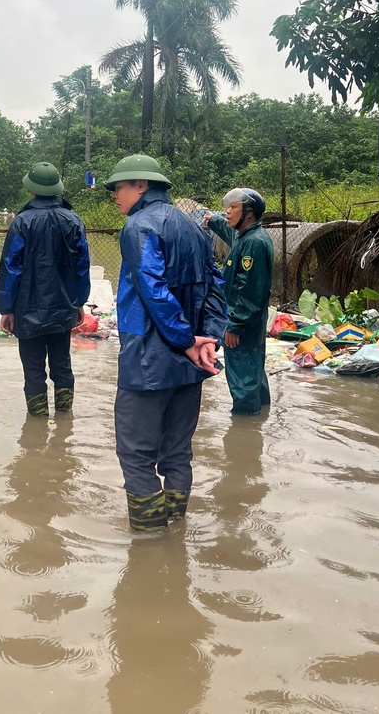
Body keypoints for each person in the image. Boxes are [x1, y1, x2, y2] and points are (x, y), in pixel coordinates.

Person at [104, 154, 227, 531]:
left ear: (141, 186)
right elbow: (215, 286)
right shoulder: (193, 228)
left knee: (136, 454)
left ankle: (150, 540)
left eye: (118, 188)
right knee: (176, 453)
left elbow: (152, 289)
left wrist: (185, 338)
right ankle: (176, 527)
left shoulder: (138, 226)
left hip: (148, 358)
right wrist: (208, 341)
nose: (114, 196)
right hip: (189, 363)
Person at [0, 161, 91, 417]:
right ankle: (64, 420)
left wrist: (6, 308)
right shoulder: (73, 221)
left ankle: (37, 424)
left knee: (33, 368)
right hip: (63, 308)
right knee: (62, 364)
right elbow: (82, 267)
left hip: (27, 310)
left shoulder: (22, 223)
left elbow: (11, 268)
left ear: (31, 190)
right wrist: (79, 301)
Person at [204, 188, 273, 416]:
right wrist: (213, 221)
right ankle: (261, 414)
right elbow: (229, 230)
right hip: (251, 324)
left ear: (249, 213)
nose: (228, 211)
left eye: (233, 207)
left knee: (243, 379)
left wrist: (235, 325)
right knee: (254, 371)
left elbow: (250, 291)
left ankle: (245, 431)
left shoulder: (253, 244)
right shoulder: (246, 236)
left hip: (243, 326)